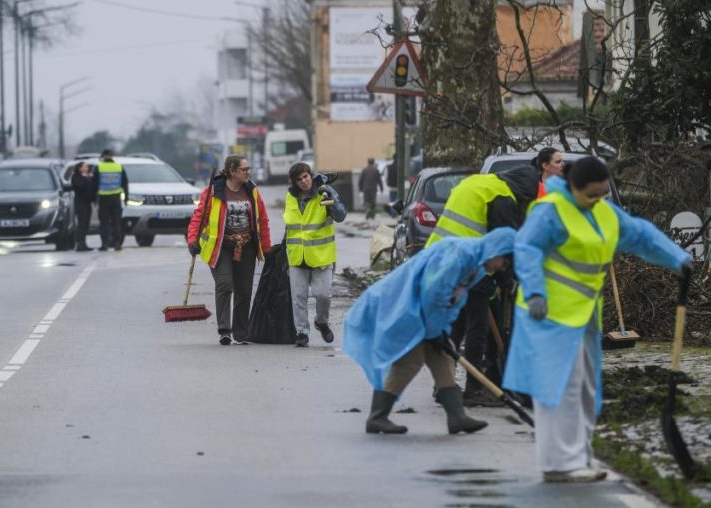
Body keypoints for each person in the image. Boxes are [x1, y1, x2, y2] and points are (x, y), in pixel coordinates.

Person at [503, 157, 692, 483]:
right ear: (573, 186)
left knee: (588, 389)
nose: (596, 201)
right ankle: (558, 464)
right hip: (548, 313)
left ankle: (579, 456)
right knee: (561, 387)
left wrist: (678, 258)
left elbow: (641, 236)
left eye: (602, 195)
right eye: (590, 195)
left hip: (585, 313)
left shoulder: (605, 213)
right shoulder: (552, 211)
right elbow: (527, 249)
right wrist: (534, 293)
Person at [343, 228, 516, 435]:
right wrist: (435, 332)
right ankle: (377, 417)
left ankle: (457, 417)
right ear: (496, 251)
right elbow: (434, 293)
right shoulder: (460, 255)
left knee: (443, 355)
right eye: (503, 263)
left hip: (422, 312)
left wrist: (442, 330)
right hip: (403, 305)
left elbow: (454, 301)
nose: (500, 268)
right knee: (410, 361)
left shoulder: (476, 267)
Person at [426, 166, 538, 407]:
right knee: (477, 327)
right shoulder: (503, 198)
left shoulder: (479, 182)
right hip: (469, 262)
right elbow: (502, 243)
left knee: (456, 325)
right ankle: (474, 389)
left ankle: (443, 386)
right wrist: (505, 280)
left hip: (442, 259)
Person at [186, 155, 272, 345]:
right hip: (221, 247)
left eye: (249, 169)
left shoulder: (253, 191)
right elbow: (198, 218)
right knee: (225, 284)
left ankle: (241, 333)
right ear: (232, 171)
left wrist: (266, 248)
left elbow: (262, 221)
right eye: (244, 169)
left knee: (244, 290)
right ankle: (224, 329)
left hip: (246, 247)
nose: (248, 172)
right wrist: (192, 240)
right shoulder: (213, 192)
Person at [284, 162, 347, 347]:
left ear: (310, 176)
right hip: (297, 255)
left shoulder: (325, 191)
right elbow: (292, 224)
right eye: (299, 179)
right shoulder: (290, 197)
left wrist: (331, 204)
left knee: (323, 295)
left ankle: (322, 322)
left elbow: (341, 216)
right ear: (295, 183)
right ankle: (302, 332)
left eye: (306, 176)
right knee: (298, 296)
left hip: (321, 255)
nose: (304, 181)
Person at [93, 149, 128, 251]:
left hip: (104, 199)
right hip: (116, 198)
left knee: (104, 223)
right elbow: (125, 183)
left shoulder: (99, 167)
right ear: (112, 156)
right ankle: (117, 244)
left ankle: (104, 244)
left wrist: (94, 199)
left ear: (103, 156)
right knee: (117, 222)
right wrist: (126, 197)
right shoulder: (119, 167)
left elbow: (94, 184)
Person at [71, 161, 96, 252]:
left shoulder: (89, 177)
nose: (86, 168)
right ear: (79, 168)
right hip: (80, 203)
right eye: (84, 167)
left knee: (86, 224)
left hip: (87, 203)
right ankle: (79, 244)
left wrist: (94, 200)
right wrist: (85, 178)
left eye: (87, 167)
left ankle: (84, 243)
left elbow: (92, 188)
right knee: (81, 223)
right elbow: (79, 186)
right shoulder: (76, 177)